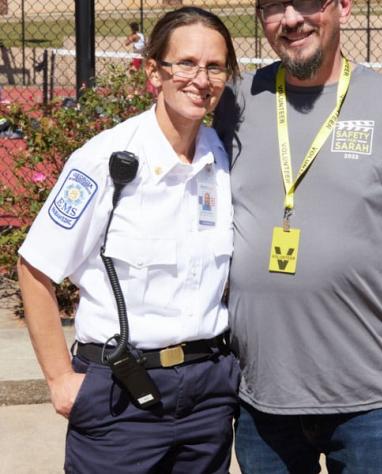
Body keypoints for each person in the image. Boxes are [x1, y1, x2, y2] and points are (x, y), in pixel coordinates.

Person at [213, 0, 382, 473]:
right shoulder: (235, 104)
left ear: (343, 7)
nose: (290, 19)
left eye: (307, 2)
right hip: (263, 399)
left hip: (371, 403)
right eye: (273, 6)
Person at [17, 7, 240, 474]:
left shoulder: (222, 158)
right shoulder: (105, 160)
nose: (200, 78)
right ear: (155, 71)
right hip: (120, 397)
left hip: (208, 395)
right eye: (185, 63)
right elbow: (35, 268)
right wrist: (61, 381)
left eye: (214, 66)